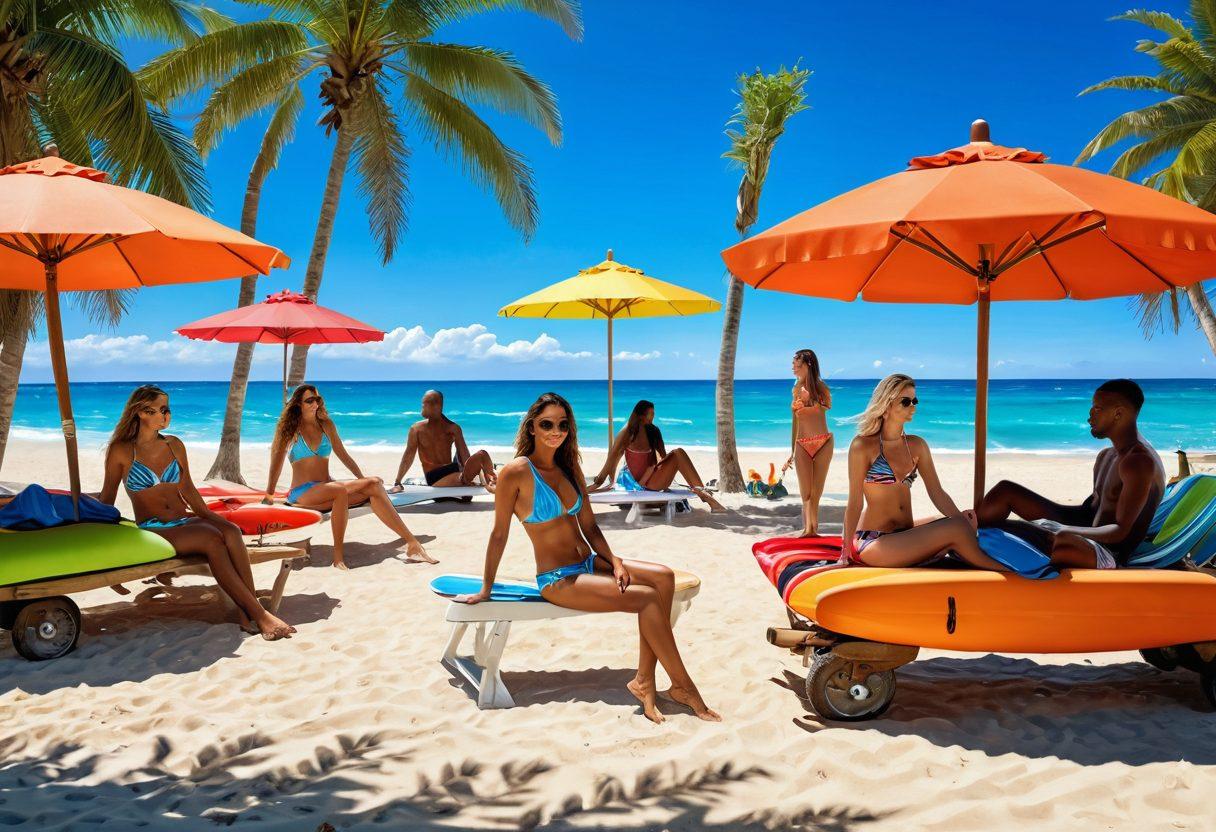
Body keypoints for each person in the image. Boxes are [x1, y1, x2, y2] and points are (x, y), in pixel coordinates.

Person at [458, 392, 720, 724]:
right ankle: (685, 688)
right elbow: (499, 535)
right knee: (648, 599)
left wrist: (616, 560)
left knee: (663, 577)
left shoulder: (569, 467)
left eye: (562, 424)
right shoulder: (516, 472)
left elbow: (590, 526)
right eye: (547, 424)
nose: (556, 431)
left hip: (590, 561)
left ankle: (643, 680)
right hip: (559, 578)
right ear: (532, 428)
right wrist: (486, 587)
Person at [99, 385, 296, 641]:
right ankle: (259, 614)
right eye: (161, 410)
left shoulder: (174, 445)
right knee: (211, 539)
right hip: (155, 526)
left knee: (231, 532)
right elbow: (107, 498)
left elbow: (189, 489)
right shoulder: (122, 450)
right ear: (142, 412)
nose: (167, 415)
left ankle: (244, 612)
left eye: (167, 409)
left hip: (185, 518)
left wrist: (212, 517)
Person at [976, 379, 1165, 568]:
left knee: (1062, 541)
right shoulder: (1106, 456)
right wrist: (1045, 523)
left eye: (1097, 409)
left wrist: (1063, 529)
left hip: (1108, 552)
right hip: (1087, 532)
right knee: (1005, 491)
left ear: (1118, 413)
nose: (1090, 417)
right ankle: (973, 539)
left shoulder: (1138, 461)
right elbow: (1089, 512)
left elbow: (1120, 531)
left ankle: (977, 551)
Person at [842, 374, 1006, 570]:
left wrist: (962, 521)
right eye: (905, 401)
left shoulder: (917, 445)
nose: (913, 406)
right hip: (875, 540)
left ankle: (978, 557)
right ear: (886, 405)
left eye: (914, 400)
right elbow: (855, 502)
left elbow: (937, 493)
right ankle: (1003, 570)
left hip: (905, 533)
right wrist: (844, 553)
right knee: (955, 528)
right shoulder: (863, 446)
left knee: (958, 521)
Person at [265, 384, 434, 569]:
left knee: (373, 485)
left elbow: (343, 455)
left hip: (326, 488)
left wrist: (361, 479)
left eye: (318, 399)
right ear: (298, 404)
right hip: (302, 493)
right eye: (309, 400)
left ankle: (412, 543)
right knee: (339, 489)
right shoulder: (290, 430)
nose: (315, 404)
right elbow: (276, 462)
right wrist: (269, 494)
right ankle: (338, 558)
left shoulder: (326, 425)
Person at [590, 399, 726, 513]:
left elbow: (664, 457)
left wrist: (661, 472)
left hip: (655, 479)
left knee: (678, 452)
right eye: (650, 414)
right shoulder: (627, 433)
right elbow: (611, 461)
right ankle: (706, 497)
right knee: (677, 453)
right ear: (640, 415)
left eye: (653, 413)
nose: (653, 416)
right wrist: (595, 486)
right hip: (642, 483)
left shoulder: (654, 431)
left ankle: (704, 495)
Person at [391, 390, 496, 491]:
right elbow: (408, 457)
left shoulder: (453, 428)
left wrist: (470, 470)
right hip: (434, 476)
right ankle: (483, 480)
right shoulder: (416, 429)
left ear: (437, 406)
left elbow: (465, 457)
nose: (422, 406)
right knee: (476, 462)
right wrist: (398, 481)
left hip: (453, 470)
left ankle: (491, 482)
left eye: (425, 404)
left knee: (482, 454)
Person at [782, 349, 833, 536]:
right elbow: (795, 421)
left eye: (798, 365)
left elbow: (824, 408)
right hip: (802, 442)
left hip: (823, 442)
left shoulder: (822, 388)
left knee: (816, 491)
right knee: (806, 492)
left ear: (808, 366)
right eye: (793, 366)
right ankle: (807, 529)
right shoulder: (795, 389)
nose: (794, 369)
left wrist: (808, 400)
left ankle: (814, 529)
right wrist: (791, 451)